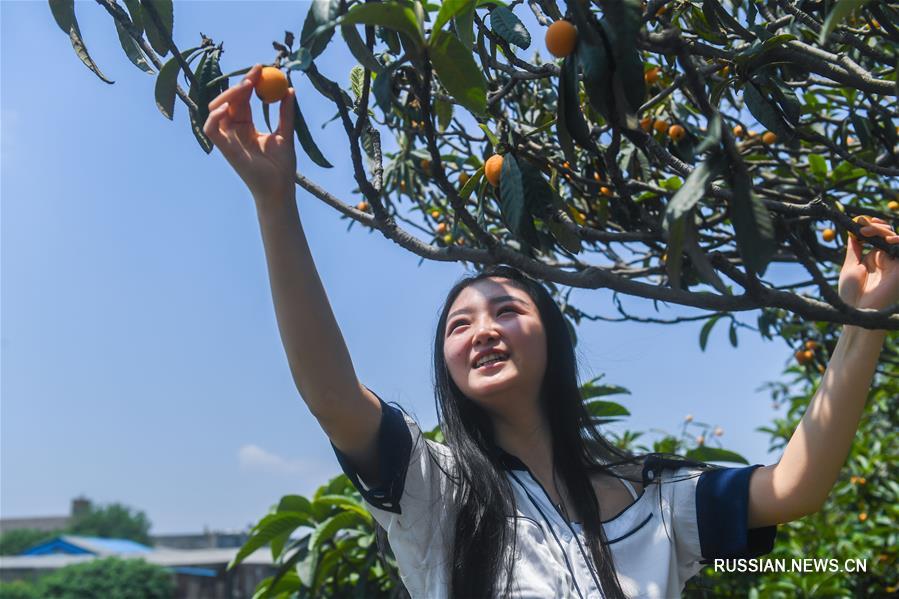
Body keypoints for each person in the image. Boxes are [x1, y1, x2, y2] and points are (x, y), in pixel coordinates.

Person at [203, 65, 899, 598]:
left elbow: (793, 488)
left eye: (508, 310)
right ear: (444, 361)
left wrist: (862, 318)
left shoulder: (649, 497)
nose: (481, 330)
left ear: (553, 340)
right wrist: (275, 204)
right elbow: (330, 392)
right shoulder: (434, 488)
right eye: (459, 323)